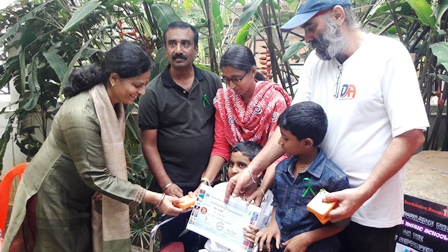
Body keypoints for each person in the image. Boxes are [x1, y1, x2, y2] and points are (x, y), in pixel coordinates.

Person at [225, 0, 429, 251]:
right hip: (316, 210)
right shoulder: (316, 62)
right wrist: (252, 170)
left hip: (370, 211)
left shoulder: (388, 55)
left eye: (311, 27)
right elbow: (289, 125)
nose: (307, 38)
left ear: (338, 15)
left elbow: (411, 135)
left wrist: (361, 194)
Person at [2, 42, 184, 252]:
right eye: (137, 85)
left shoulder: (114, 103)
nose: (142, 92)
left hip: (81, 191)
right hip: (53, 194)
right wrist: (155, 198)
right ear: (114, 78)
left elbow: (102, 158)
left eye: (144, 84)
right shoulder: (80, 114)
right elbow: (96, 177)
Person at [138, 21, 222, 251]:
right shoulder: (152, 92)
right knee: (175, 244)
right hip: (173, 188)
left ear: (195, 49)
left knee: (209, 243)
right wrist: (166, 184)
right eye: (172, 44)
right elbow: (149, 145)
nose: (178, 50)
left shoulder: (212, 82)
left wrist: (209, 179)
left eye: (185, 43)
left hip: (209, 183)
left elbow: (222, 132)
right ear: (166, 49)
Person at [199, 45, 291, 206]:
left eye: (236, 78)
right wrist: (206, 182)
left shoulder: (275, 100)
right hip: (236, 180)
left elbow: (280, 151)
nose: (231, 86)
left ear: (253, 72)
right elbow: (221, 146)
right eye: (226, 80)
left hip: (269, 181)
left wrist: (261, 189)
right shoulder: (224, 100)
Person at [255, 101, 350, 252]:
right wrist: (274, 224)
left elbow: (341, 223)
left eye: (285, 139)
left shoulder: (333, 180)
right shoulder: (281, 169)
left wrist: (307, 238)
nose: (280, 142)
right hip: (280, 245)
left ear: (307, 143)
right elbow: (277, 202)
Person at [199, 141, 274, 252]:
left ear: (258, 171)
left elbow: (270, 245)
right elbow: (201, 217)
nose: (233, 170)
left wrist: (257, 240)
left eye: (241, 165)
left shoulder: (269, 200)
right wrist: (196, 204)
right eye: (231, 164)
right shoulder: (219, 190)